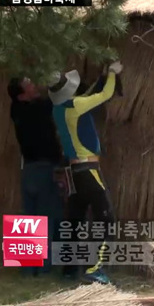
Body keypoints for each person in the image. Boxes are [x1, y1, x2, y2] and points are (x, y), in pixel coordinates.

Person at [48, 61, 123, 284]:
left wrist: (98, 81)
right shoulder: (77, 105)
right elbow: (105, 94)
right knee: (106, 217)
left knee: (75, 220)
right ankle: (95, 268)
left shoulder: (57, 110)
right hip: (88, 170)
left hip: (73, 172)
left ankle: (70, 270)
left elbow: (87, 97)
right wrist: (111, 73)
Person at [7, 76, 64, 276]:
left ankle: (27, 269)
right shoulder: (37, 109)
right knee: (46, 218)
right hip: (43, 169)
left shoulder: (15, 109)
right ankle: (44, 268)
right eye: (29, 85)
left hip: (29, 170)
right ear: (22, 95)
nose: (34, 86)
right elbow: (56, 99)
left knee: (29, 218)